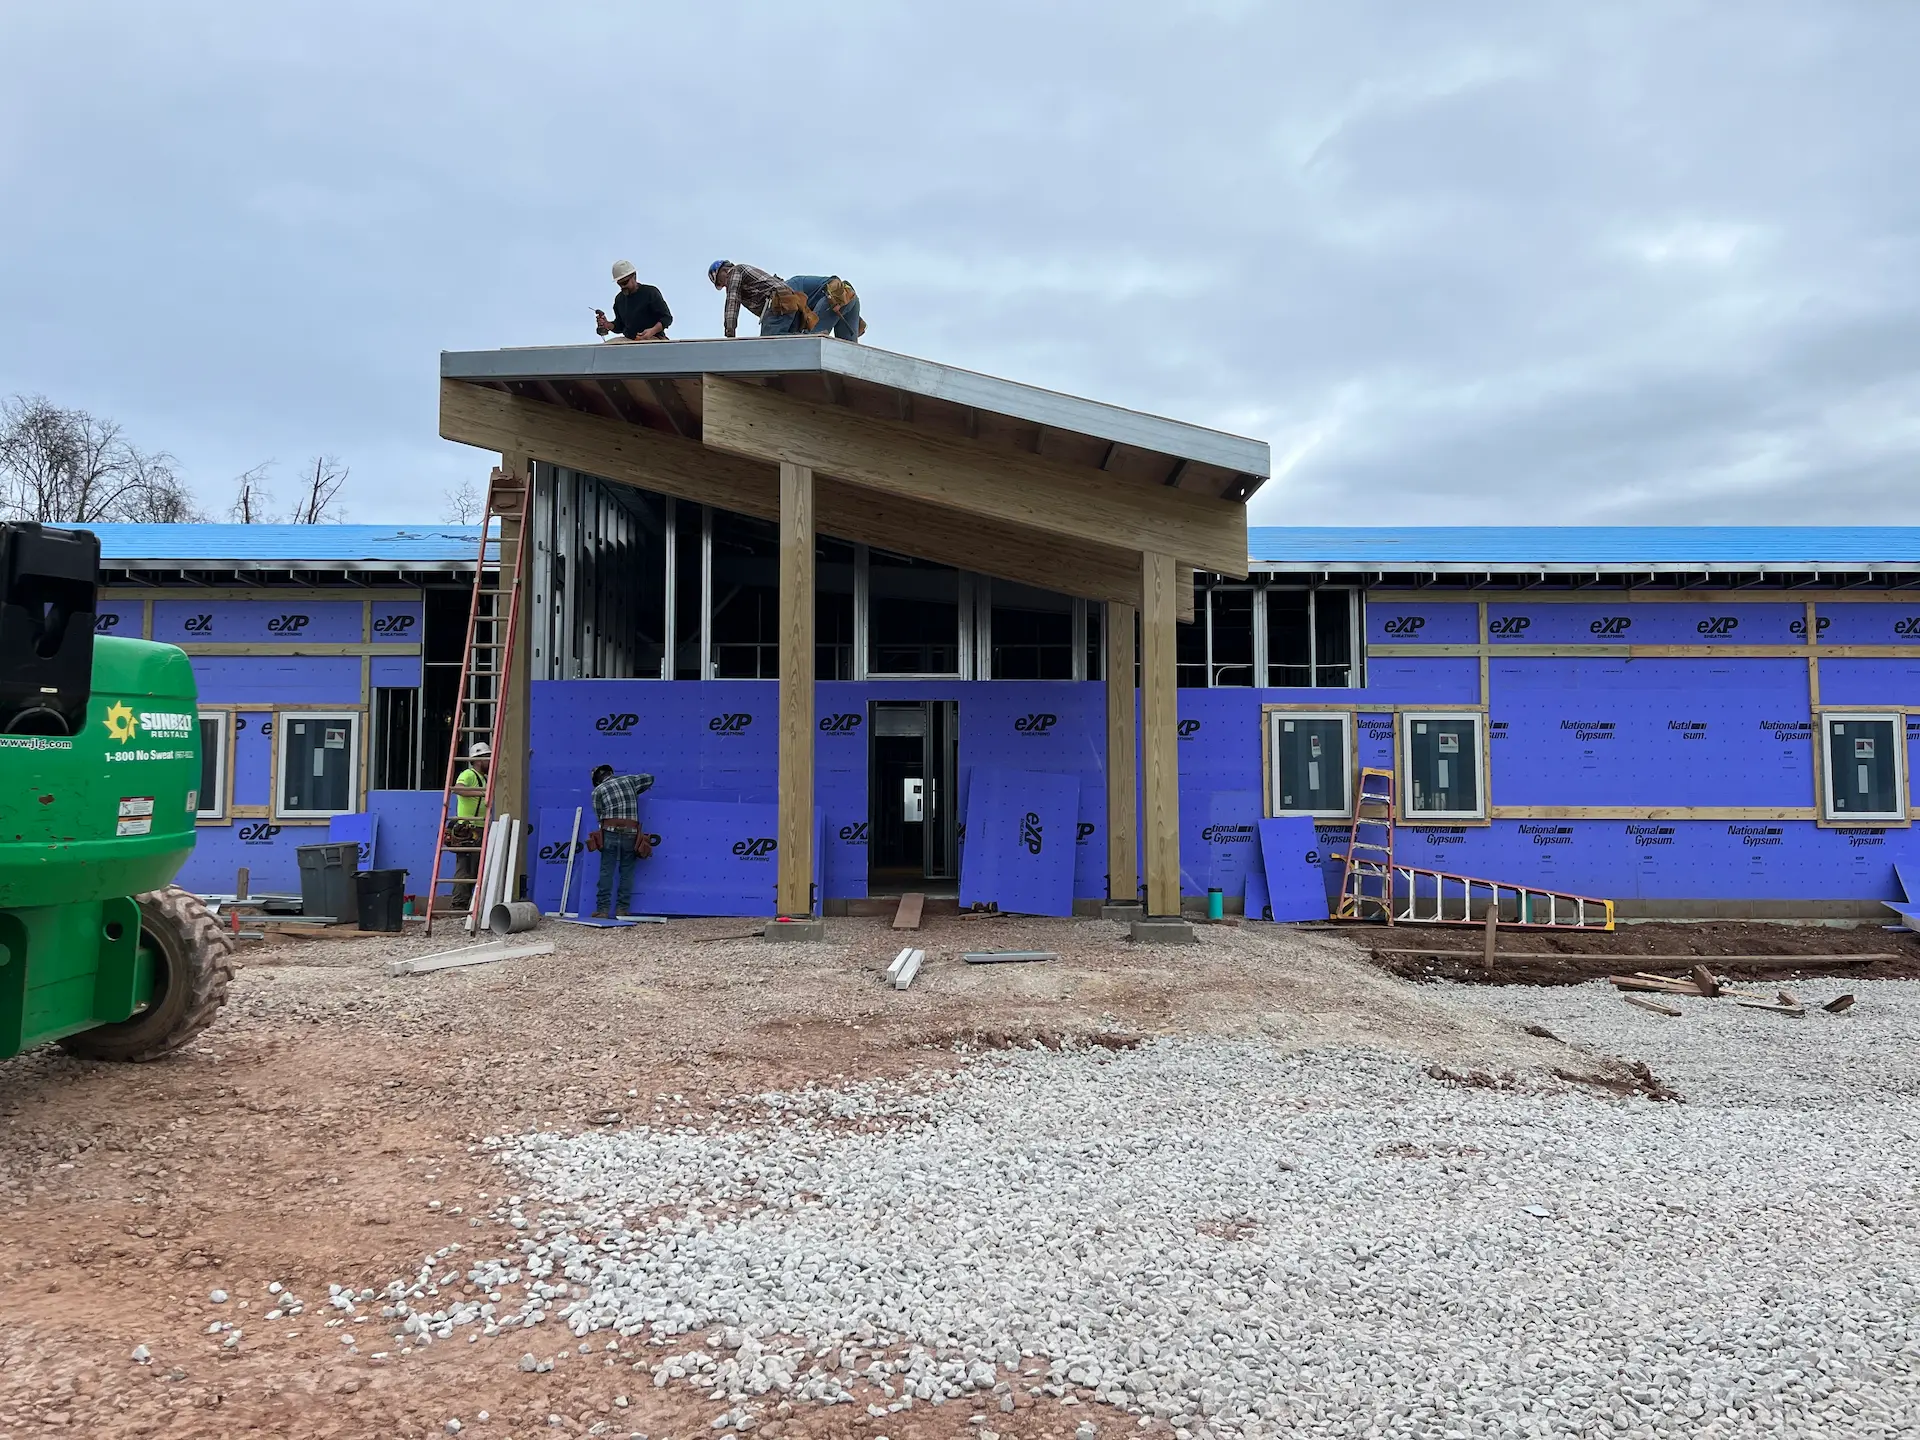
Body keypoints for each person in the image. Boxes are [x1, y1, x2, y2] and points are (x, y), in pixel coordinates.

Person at [708, 261, 864, 341]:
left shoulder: (735, 271)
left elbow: (732, 301)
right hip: (848, 299)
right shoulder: (796, 288)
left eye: (721, 283)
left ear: (723, 271)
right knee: (847, 349)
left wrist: (730, 335)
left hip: (783, 300)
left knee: (770, 346)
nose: (724, 286)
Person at [589, 763, 655, 919]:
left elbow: (600, 817)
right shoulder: (629, 780)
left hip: (610, 832)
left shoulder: (597, 791)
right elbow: (650, 778)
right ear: (611, 773)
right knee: (627, 872)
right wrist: (636, 790)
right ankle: (622, 910)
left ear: (597, 780)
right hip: (631, 833)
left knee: (607, 871)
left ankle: (602, 910)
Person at [448, 742, 490, 909]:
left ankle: (466, 902)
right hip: (468, 828)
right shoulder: (468, 774)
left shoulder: (483, 778)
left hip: (478, 827)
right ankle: (459, 903)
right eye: (488, 758)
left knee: (474, 867)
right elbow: (457, 789)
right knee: (465, 867)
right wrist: (482, 792)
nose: (490, 761)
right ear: (479, 760)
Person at [595, 259, 673, 342]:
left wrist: (652, 331)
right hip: (630, 340)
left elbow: (666, 318)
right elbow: (620, 325)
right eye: (619, 283)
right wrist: (608, 325)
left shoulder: (650, 292)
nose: (622, 287)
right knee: (607, 347)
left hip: (654, 338)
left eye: (625, 282)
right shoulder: (619, 300)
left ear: (634, 276)